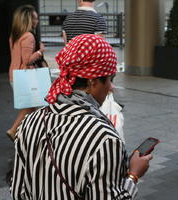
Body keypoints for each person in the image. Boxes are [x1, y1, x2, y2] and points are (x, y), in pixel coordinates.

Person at [11, 34, 153, 200]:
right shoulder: (105, 139)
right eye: (110, 79)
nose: (111, 87)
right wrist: (133, 176)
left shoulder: (30, 122)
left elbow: (18, 190)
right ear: (92, 82)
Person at [7, 5, 46, 141]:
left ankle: (25, 134)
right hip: (24, 76)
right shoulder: (29, 36)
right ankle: (14, 130)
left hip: (15, 74)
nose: (37, 21)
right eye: (35, 18)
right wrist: (40, 51)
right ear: (28, 20)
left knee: (32, 106)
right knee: (31, 106)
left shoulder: (15, 35)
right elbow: (28, 60)